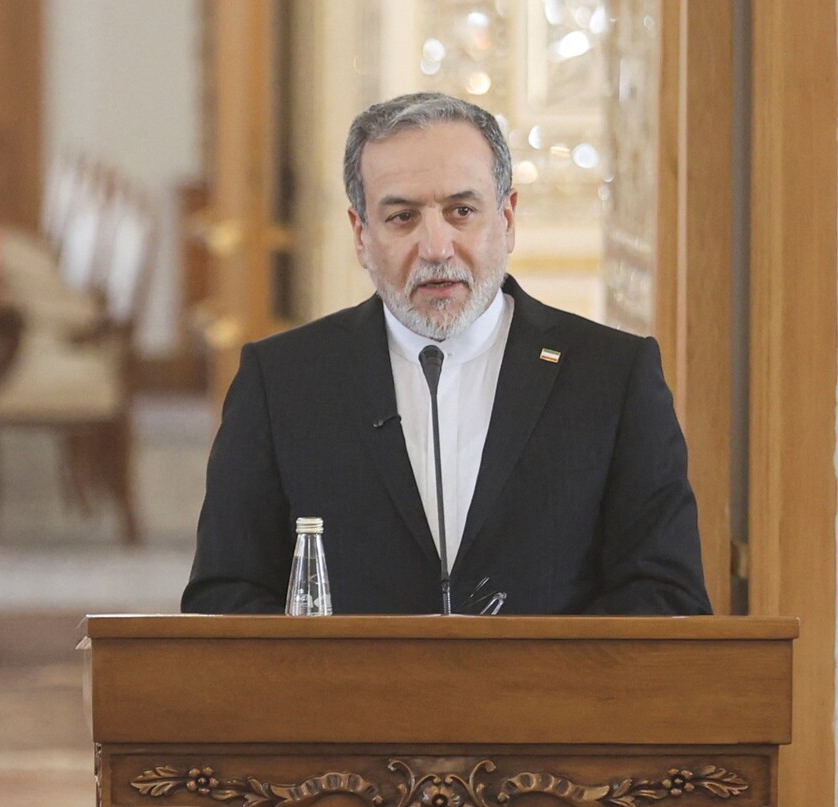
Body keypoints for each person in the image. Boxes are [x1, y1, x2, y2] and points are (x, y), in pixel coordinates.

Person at [183, 92, 709, 615]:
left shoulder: (613, 376)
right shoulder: (282, 381)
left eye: (461, 212)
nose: (436, 248)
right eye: (402, 217)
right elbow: (224, 598)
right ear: (361, 235)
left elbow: (667, 598)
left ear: (507, 218)